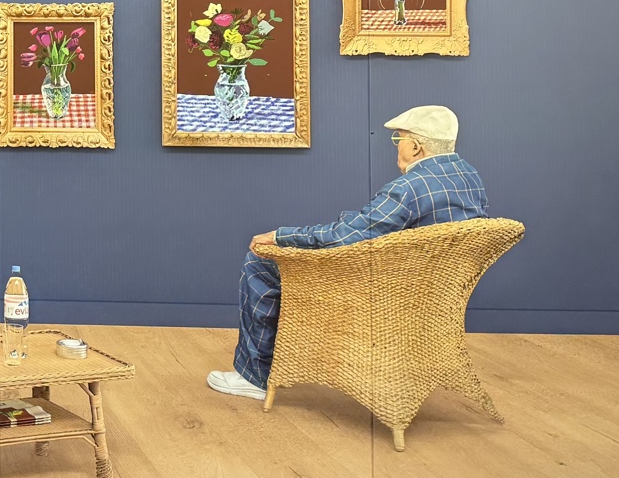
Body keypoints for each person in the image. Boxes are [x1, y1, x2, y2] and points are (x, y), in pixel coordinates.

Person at [207, 105, 488, 401]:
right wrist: (358, 220)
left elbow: (342, 239)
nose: (396, 145)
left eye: (399, 138)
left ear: (416, 147)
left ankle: (254, 377)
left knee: (261, 262)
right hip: (431, 294)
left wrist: (280, 236)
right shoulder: (470, 178)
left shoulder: (409, 188)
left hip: (384, 295)